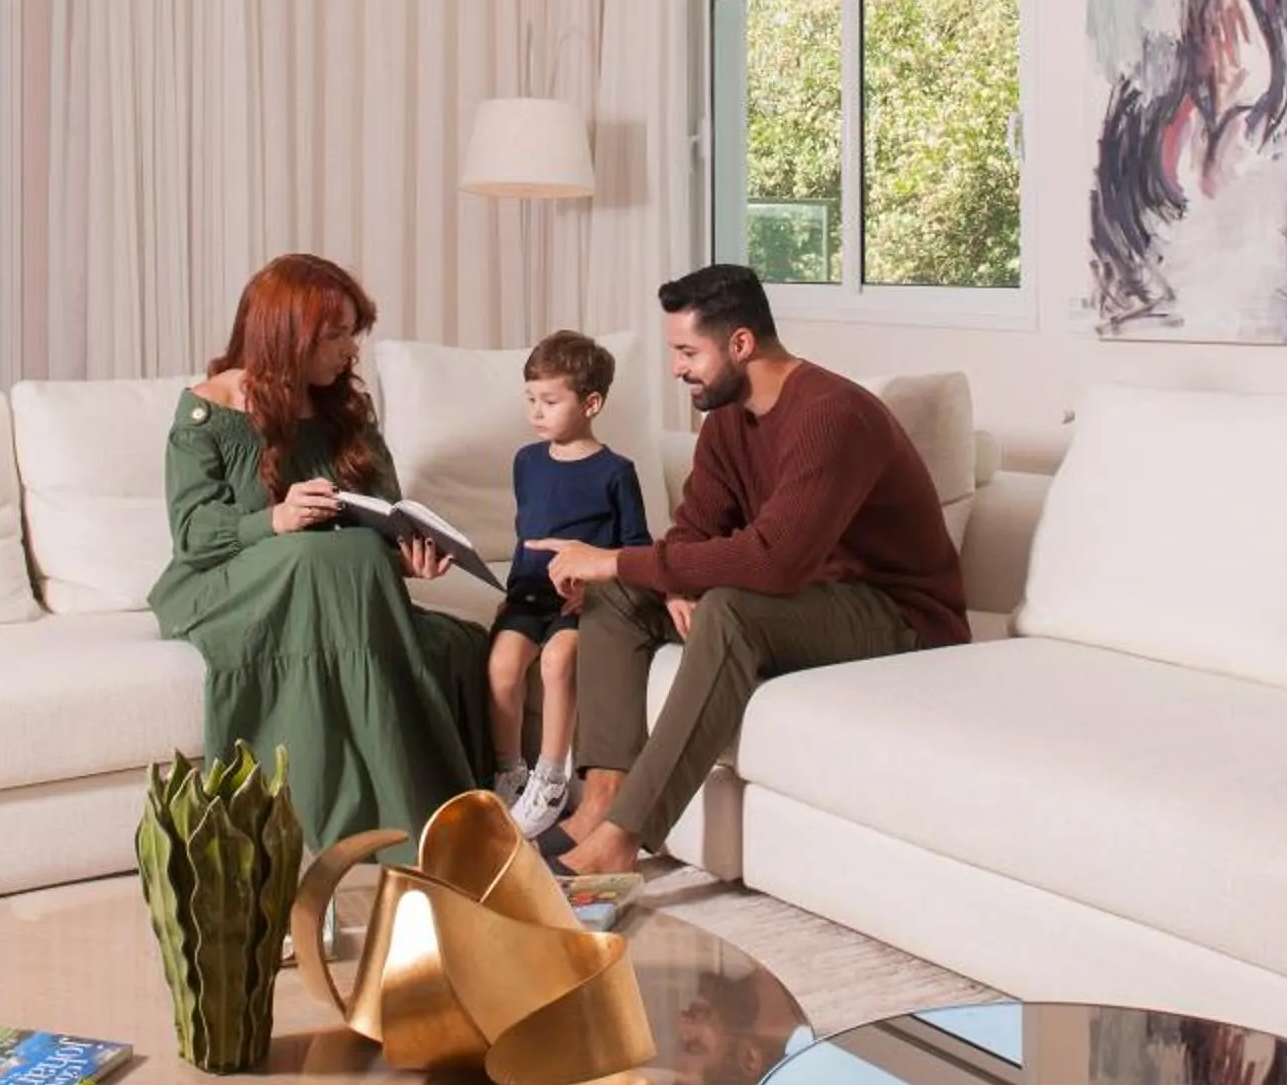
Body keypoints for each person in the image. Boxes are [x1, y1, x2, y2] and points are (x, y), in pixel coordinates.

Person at [536, 264, 964, 878]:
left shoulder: (832, 414)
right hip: (813, 601)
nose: (676, 368)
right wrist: (668, 578)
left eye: (687, 352)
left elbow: (775, 561)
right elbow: (695, 530)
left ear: (740, 344)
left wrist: (616, 558)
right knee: (619, 594)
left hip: (898, 616)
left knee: (726, 610)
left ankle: (622, 840)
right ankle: (598, 803)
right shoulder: (727, 421)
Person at [154, 254, 491, 854]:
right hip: (225, 585)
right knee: (315, 556)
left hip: (332, 583)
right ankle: (382, 814)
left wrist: (405, 556)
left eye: (351, 332)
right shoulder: (208, 410)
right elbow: (194, 533)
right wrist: (276, 518)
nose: (349, 350)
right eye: (334, 334)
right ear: (287, 333)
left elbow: (383, 510)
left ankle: (389, 814)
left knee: (347, 558)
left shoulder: (344, 409)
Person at [490, 331, 650, 838]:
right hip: (527, 594)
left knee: (559, 662)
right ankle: (510, 772)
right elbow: (526, 533)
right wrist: (508, 593)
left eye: (550, 401)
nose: (536, 412)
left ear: (591, 403)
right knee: (502, 666)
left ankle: (552, 777)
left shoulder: (616, 472)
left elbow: (636, 548)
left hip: (581, 601)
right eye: (531, 399)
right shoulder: (526, 462)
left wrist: (594, 586)